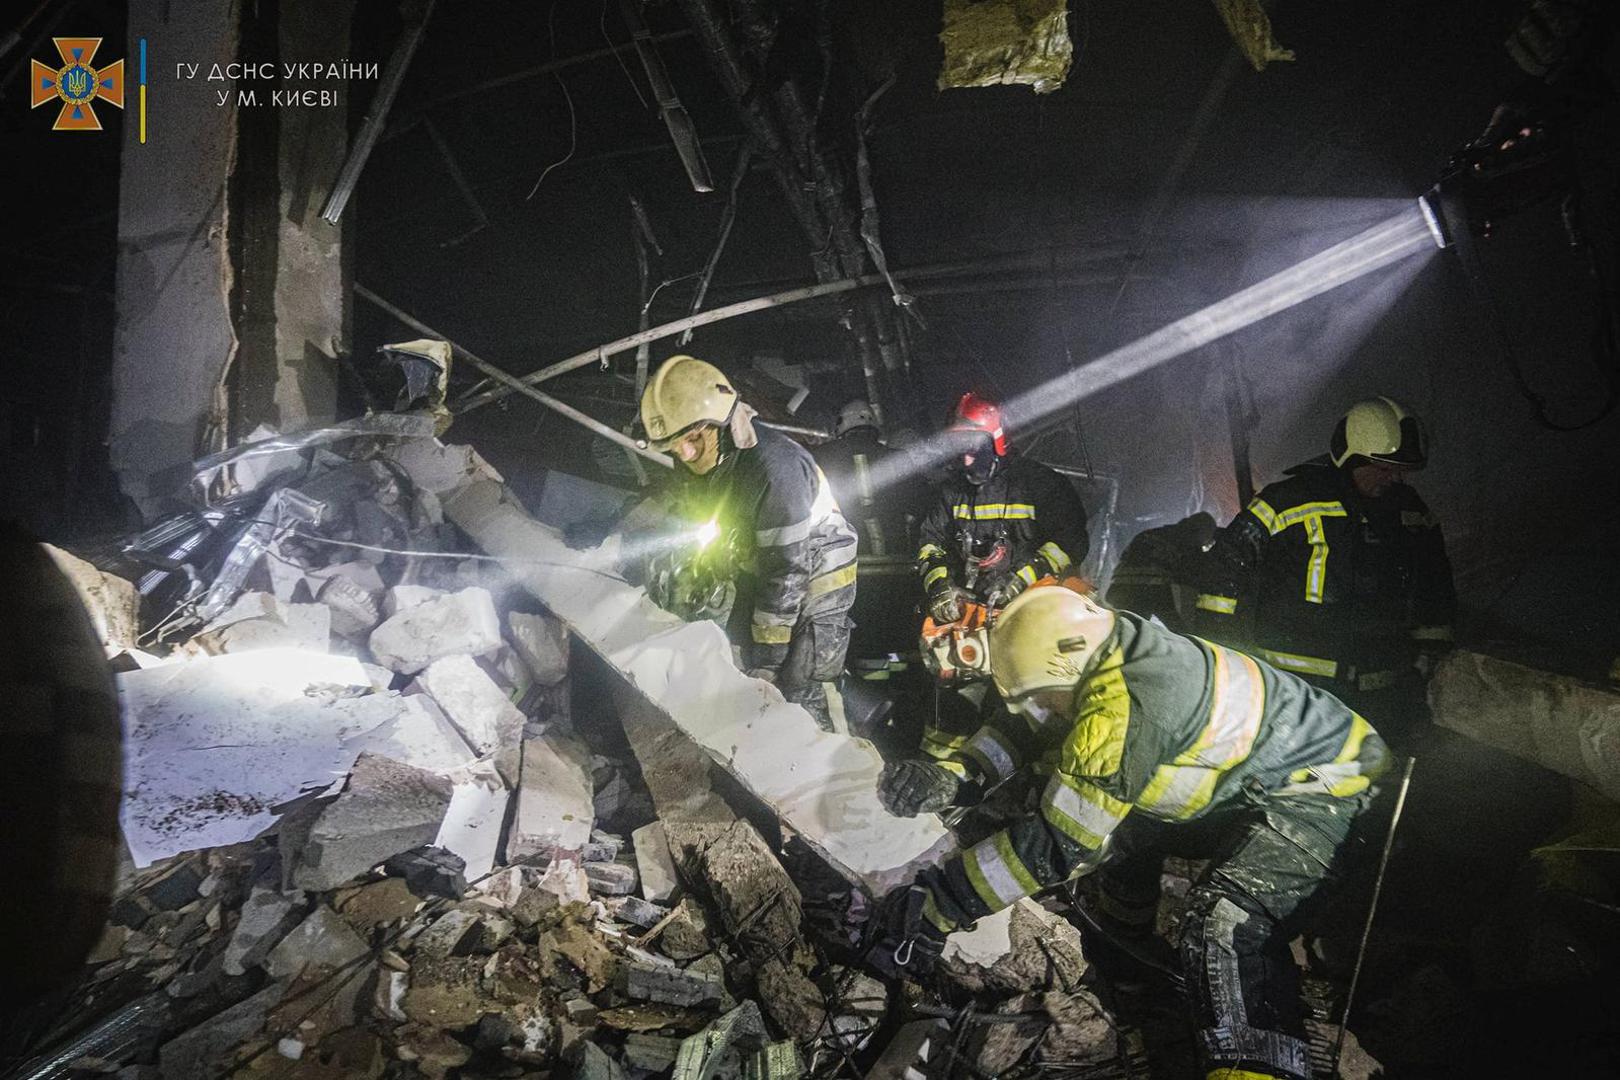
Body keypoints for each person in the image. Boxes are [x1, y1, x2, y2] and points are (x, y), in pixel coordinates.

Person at [871, 586, 1389, 1080]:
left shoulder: (1125, 707)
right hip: (1252, 782)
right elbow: (1029, 722)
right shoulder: (1102, 648)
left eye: (1046, 698)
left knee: (1228, 921)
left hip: (1333, 788)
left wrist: (941, 904)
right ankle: (1133, 979)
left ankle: (1257, 1066)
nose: (1046, 709)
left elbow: (1056, 845)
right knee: (1122, 846)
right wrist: (959, 775)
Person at [1191, 397, 1455, 741]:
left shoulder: (1410, 513)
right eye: (1382, 468)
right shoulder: (1288, 500)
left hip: (1384, 695)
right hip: (1294, 692)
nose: (1393, 478)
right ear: (1352, 458)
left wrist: (1430, 661)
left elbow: (1434, 586)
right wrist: (1223, 660)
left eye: (1399, 470)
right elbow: (1225, 570)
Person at [639, 354, 858, 729]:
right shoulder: (704, 456)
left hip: (817, 570)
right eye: (674, 447)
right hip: (763, 563)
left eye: (693, 439)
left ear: (722, 422)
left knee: (803, 681)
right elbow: (676, 505)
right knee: (737, 660)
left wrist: (768, 663)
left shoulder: (774, 468)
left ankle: (830, 750)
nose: (685, 454)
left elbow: (787, 572)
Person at [913, 391, 1090, 757]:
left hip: (1036, 625)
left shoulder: (1040, 485)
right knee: (951, 711)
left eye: (973, 448)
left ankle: (1030, 779)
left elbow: (1070, 543)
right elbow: (930, 544)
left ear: (996, 440)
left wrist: (1020, 580)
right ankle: (938, 775)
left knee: (1037, 718)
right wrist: (941, 587)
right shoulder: (950, 494)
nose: (965, 459)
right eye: (958, 448)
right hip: (974, 624)